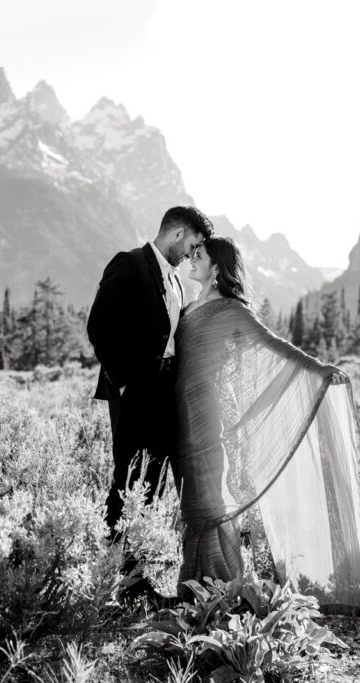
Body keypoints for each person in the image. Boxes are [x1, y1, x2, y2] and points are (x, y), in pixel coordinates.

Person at [173, 235, 360, 612]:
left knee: (211, 501)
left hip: (210, 412)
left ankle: (223, 593)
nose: (190, 258)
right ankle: (194, 592)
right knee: (193, 502)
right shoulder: (189, 307)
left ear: (217, 267)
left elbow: (274, 345)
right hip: (181, 415)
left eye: (198, 255)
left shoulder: (233, 310)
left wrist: (318, 370)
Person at [87, 206, 214, 542]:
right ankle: (112, 571)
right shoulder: (129, 264)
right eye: (192, 245)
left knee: (154, 480)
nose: (191, 255)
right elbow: (99, 327)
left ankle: (137, 570)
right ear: (177, 233)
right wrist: (126, 383)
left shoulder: (175, 280)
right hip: (134, 390)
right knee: (128, 479)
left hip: (164, 391)